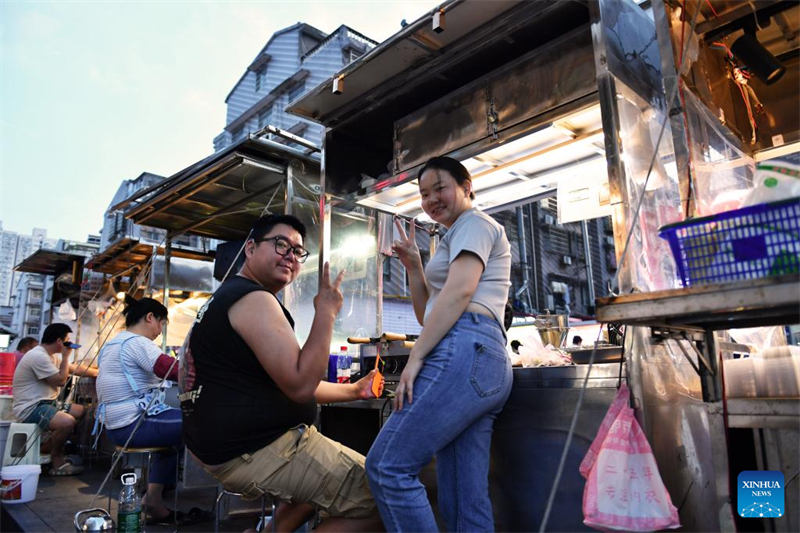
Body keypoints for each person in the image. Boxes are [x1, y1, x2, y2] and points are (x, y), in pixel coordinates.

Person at [180, 214, 384, 532]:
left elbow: (290, 380)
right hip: (258, 449)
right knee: (384, 495)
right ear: (250, 248)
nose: (290, 254)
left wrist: (353, 390)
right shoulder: (254, 299)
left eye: (298, 250)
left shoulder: (229, 296)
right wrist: (326, 312)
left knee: (311, 490)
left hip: (226, 447)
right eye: (280, 244)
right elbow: (301, 385)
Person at [366, 156, 513, 532]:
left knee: (387, 467)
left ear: (466, 186)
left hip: (467, 347)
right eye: (424, 193)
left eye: (440, 188)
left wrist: (416, 357)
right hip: (481, 358)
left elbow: (461, 292)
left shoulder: (474, 223)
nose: (431, 199)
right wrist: (415, 267)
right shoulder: (454, 236)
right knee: (464, 499)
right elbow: (426, 314)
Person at [95, 296, 210, 526]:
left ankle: (153, 499)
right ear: (150, 318)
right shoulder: (138, 343)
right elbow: (173, 370)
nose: (160, 330)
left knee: (172, 441)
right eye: (161, 323)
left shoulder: (114, 343)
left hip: (116, 427)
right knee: (203, 422)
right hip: (133, 425)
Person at [12, 323, 97, 475]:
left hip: (48, 404)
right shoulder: (38, 356)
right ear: (59, 341)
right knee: (67, 421)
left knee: (81, 411)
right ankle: (57, 460)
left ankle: (48, 445)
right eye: (68, 340)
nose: (70, 343)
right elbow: (60, 381)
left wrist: (98, 372)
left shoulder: (50, 356)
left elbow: (75, 368)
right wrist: (65, 356)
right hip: (32, 408)